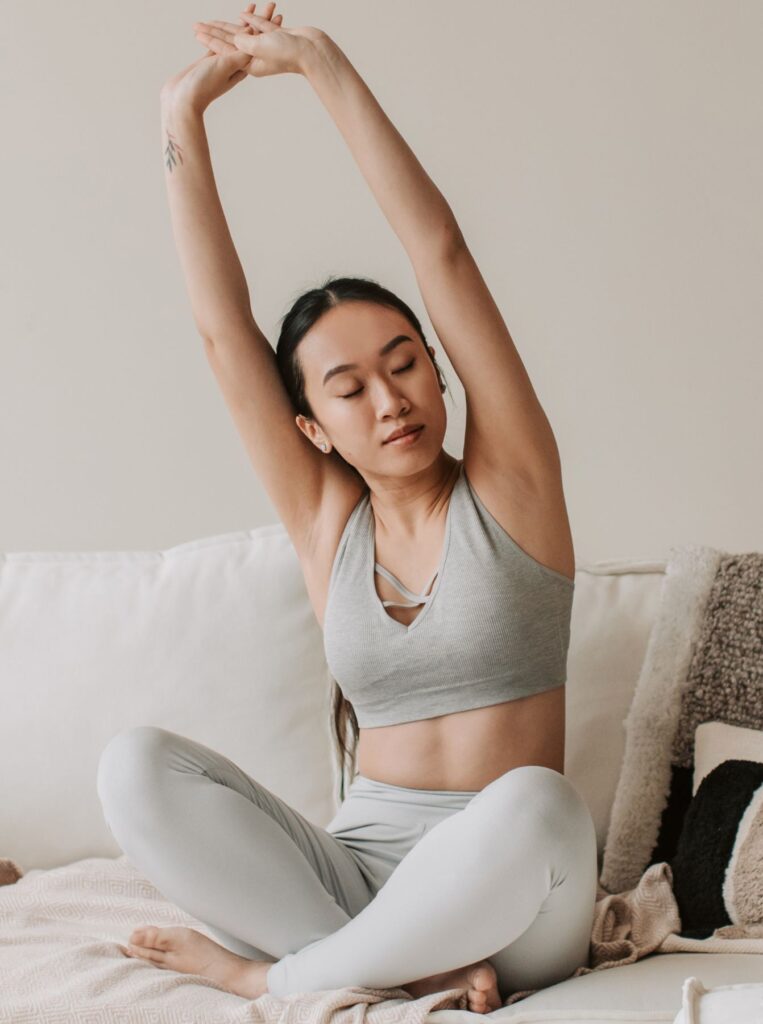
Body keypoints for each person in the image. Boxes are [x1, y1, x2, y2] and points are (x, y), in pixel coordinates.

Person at [96, 3, 598, 1012]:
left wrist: (322, 65)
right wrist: (179, 114)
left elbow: (441, 250)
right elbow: (219, 332)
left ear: (441, 378)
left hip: (514, 899)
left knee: (538, 803)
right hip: (359, 877)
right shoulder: (328, 524)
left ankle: (283, 978)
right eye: (347, 386)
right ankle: (398, 965)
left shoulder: (513, 489)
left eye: (405, 363)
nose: (390, 399)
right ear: (313, 428)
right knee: (133, 766)